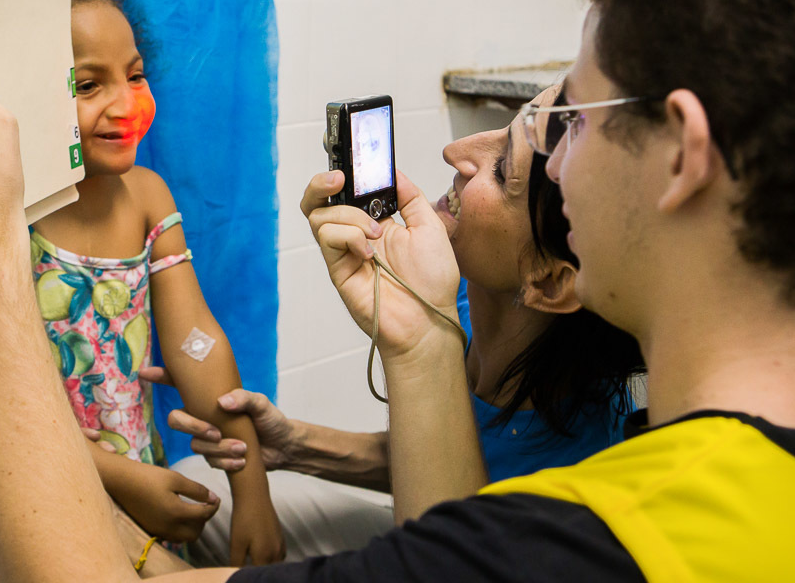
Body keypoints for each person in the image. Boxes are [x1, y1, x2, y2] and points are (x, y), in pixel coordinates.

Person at [0, 0, 795, 583]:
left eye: (565, 119)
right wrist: (424, 339)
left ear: (684, 154)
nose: (512, 155)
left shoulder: (574, 541)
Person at [129, 86, 643, 564]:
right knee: (195, 478)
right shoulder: (459, 291)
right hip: (435, 535)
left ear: (551, 282)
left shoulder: (572, 477)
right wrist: (295, 444)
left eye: (502, 166)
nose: (457, 150)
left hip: (455, 560)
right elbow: (448, 449)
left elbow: (444, 566)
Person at [0, 0, 284, 580]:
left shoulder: (148, 198)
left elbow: (194, 342)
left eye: (136, 74)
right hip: (27, 499)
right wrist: (126, 479)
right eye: (88, 83)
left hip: (141, 489)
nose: (125, 104)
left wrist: (250, 481)